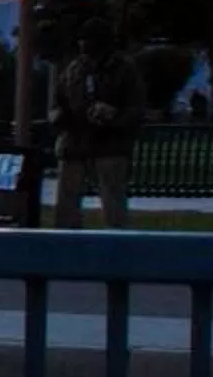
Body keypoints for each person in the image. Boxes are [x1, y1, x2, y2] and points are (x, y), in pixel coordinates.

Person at [52, 27, 146, 228]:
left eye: (89, 41)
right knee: (67, 202)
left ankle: (114, 241)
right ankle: (66, 240)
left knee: (113, 203)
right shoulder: (74, 69)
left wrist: (113, 115)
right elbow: (58, 103)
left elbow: (136, 109)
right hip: (75, 143)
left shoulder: (124, 70)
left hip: (109, 144)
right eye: (82, 40)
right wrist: (61, 117)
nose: (84, 46)